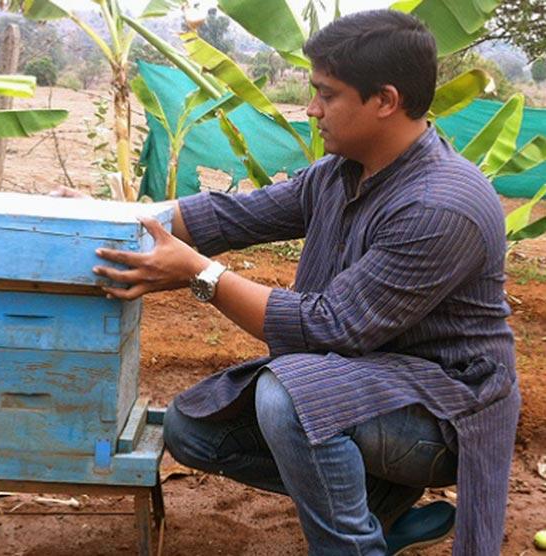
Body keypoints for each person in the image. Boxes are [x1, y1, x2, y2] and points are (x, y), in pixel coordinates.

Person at [87, 10, 520, 556]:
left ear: (385, 100)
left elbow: (328, 327)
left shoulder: (440, 206)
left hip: (445, 407)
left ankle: (353, 546)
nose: (311, 109)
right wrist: (101, 220)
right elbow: (229, 217)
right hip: (372, 379)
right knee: (191, 429)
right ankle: (379, 519)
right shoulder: (343, 171)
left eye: (326, 94)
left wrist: (199, 274)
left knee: (291, 396)